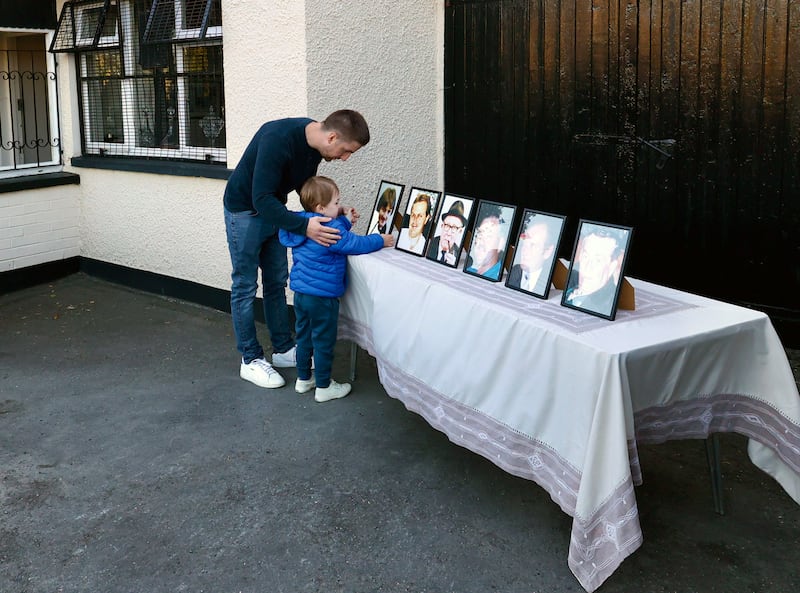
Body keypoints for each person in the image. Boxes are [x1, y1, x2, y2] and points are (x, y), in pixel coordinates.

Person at [223, 110, 370, 389]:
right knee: (244, 285)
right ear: (332, 136)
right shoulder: (277, 139)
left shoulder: (314, 148)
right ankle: (250, 359)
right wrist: (305, 228)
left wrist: (336, 210)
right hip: (244, 211)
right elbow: (261, 198)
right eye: (346, 150)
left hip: (273, 211)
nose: (345, 158)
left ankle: (282, 349)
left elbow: (306, 192)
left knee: (277, 281)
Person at [279, 176, 394, 402]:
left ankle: (304, 379)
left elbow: (337, 227)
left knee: (303, 337)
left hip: (301, 295)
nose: (339, 205)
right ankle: (324, 386)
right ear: (321, 208)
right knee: (323, 341)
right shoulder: (329, 231)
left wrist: (344, 217)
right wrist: (381, 240)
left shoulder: (303, 224)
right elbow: (355, 244)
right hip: (323, 298)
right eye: (335, 203)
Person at [563, 225, 626, 315]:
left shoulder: (605, 306)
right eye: (586, 256)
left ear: (612, 267)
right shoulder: (570, 281)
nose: (588, 267)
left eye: (598, 260)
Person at [507, 213, 560, 295]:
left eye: (533, 245)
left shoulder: (548, 281)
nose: (524, 250)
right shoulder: (514, 272)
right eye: (524, 243)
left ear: (547, 251)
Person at [465, 204, 505, 280]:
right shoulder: (470, 270)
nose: (481, 242)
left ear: (500, 244)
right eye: (480, 233)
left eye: (488, 236)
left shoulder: (496, 276)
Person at [426, 199, 467, 265]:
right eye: (447, 226)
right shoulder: (427, 245)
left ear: (460, 231)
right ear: (442, 226)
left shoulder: (460, 255)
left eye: (454, 228)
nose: (449, 233)